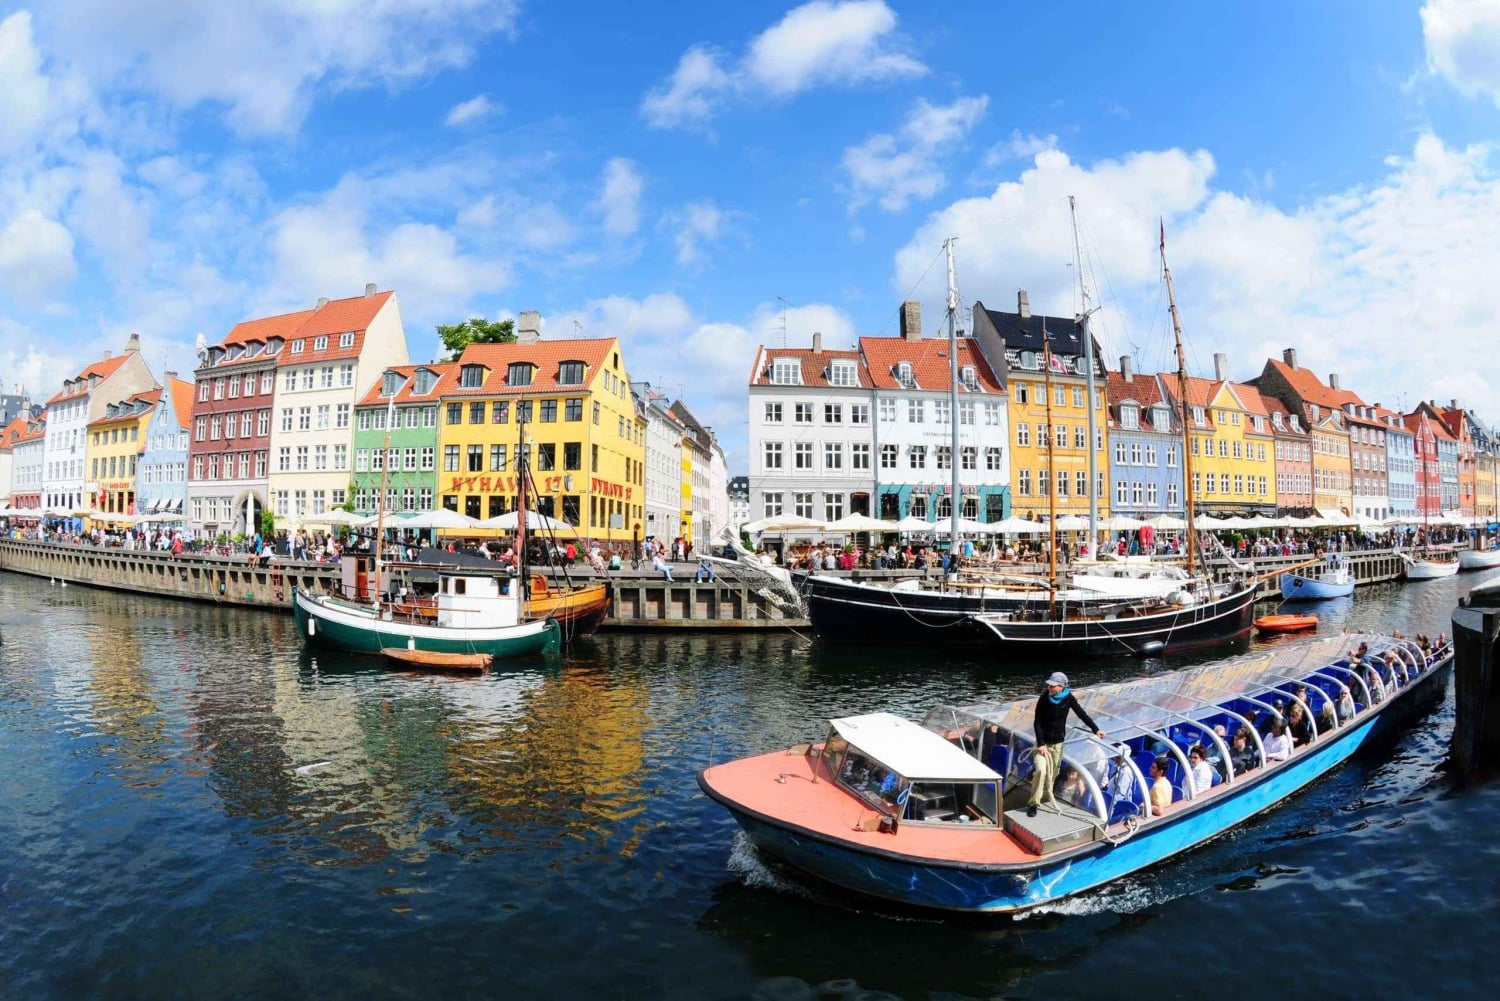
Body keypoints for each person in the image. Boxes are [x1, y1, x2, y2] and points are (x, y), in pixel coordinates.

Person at [1028, 671, 1107, 818]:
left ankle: (1046, 798)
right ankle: (1034, 803)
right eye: (1049, 686)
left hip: (1058, 744)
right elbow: (1037, 721)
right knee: (1040, 770)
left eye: (1053, 686)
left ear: (1061, 687)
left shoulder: (1068, 698)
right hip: (1043, 744)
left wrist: (1096, 729)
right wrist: (1040, 743)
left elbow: (1081, 713)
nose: (1050, 688)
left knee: (1053, 774)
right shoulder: (1044, 699)